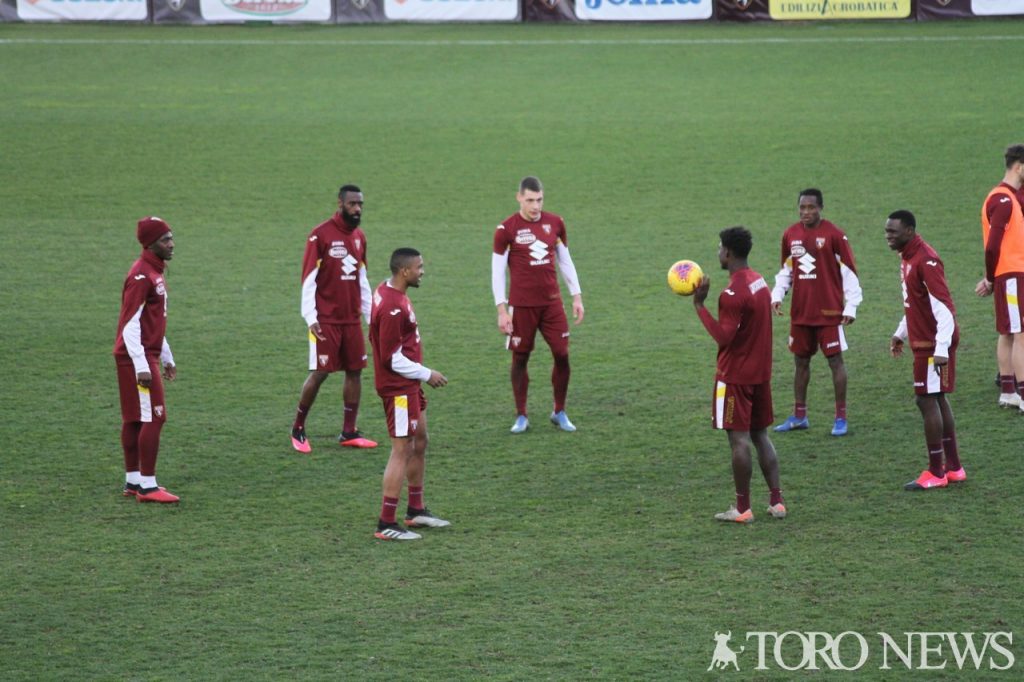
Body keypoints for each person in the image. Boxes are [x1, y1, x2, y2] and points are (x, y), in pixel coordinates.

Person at [692, 227, 785, 524]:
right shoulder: (759, 281)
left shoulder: (732, 294)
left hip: (734, 377)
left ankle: (742, 508)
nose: (718, 252)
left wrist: (699, 305)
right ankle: (776, 501)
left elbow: (723, 337)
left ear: (728, 252)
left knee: (739, 441)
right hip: (760, 374)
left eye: (720, 248)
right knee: (761, 435)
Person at [492, 176, 584, 434]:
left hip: (552, 305)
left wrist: (576, 296)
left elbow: (565, 261)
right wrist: (501, 310)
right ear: (519, 197)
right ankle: (521, 414)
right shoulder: (506, 230)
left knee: (562, 354)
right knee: (520, 358)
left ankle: (559, 411)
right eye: (530, 200)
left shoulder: (555, 223)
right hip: (521, 307)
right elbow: (497, 271)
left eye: (539, 200)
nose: (535, 206)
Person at [369, 248, 450, 541]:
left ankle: (415, 510)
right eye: (419, 267)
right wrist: (427, 373)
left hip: (408, 384)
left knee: (420, 440)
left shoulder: (387, 290)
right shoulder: (392, 307)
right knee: (401, 450)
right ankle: (386, 523)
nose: (422, 271)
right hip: (399, 387)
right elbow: (391, 358)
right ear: (404, 272)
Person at [290, 185, 377, 453]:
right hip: (325, 320)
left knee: (355, 371)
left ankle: (348, 431)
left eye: (360, 204)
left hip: (351, 321)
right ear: (340, 203)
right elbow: (308, 279)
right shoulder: (320, 236)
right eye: (352, 204)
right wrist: (310, 317)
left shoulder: (360, 237)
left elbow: (361, 280)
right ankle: (298, 428)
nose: (357, 209)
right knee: (321, 372)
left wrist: (371, 316)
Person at [771, 189, 862, 437]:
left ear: (821, 208)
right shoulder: (791, 234)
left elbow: (850, 272)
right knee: (800, 362)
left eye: (811, 207)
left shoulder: (834, 235)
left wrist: (851, 306)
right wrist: (777, 295)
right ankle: (800, 415)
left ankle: (840, 417)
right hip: (800, 313)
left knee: (835, 361)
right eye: (802, 207)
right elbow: (786, 270)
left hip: (829, 312)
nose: (806, 212)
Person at [885, 210, 966, 490]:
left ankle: (936, 472)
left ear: (909, 232)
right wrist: (900, 332)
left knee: (926, 400)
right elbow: (915, 303)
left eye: (893, 232)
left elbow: (943, 306)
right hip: (925, 339)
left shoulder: (925, 260)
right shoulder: (907, 258)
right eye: (887, 231)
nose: (888, 237)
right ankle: (953, 467)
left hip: (934, 343)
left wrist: (941, 347)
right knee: (937, 398)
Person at [113, 217, 180, 503]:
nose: (172, 244)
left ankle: (133, 480)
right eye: (165, 240)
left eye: (171, 237)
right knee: (155, 416)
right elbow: (130, 324)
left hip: (143, 353)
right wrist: (142, 364)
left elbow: (151, 320)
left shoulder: (153, 271)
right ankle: (148, 486)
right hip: (136, 357)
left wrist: (166, 355)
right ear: (150, 244)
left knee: (134, 419)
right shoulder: (142, 276)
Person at [975, 144, 1024, 412]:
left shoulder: (1009, 197)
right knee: (1020, 334)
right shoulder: (1003, 199)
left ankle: (1008, 391)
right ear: (1019, 166)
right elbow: (992, 245)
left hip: (1010, 274)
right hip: (1012, 274)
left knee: (1008, 332)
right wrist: (991, 278)